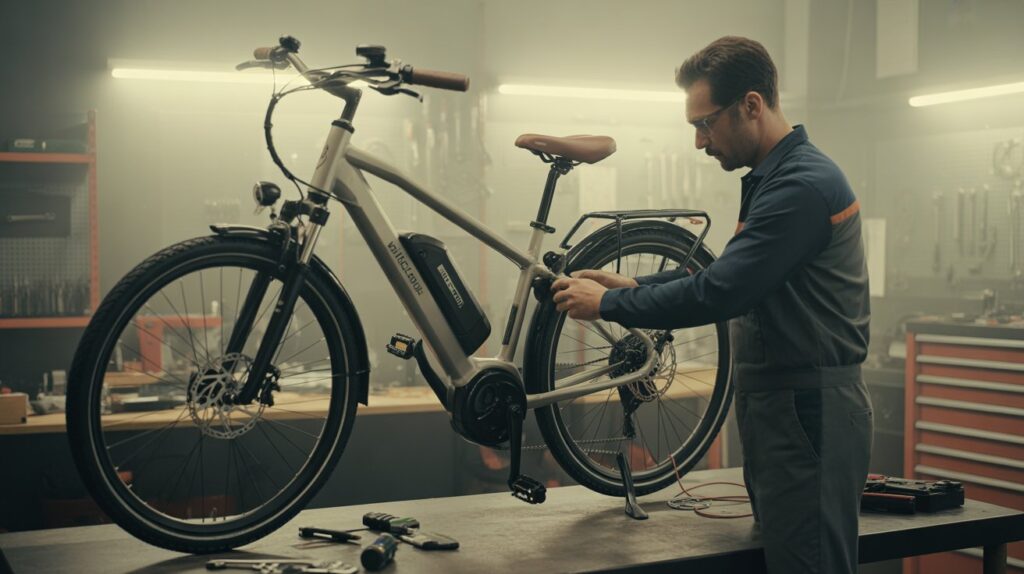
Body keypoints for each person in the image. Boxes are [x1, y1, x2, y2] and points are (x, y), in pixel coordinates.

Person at [550, 36, 873, 574]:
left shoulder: (801, 187)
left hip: (810, 411)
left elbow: (723, 292)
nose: (700, 141)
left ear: (751, 105)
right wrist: (632, 291)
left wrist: (610, 306)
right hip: (782, 409)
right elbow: (732, 274)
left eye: (706, 123)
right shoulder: (775, 180)